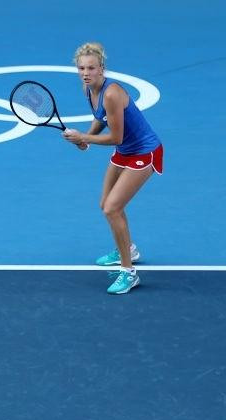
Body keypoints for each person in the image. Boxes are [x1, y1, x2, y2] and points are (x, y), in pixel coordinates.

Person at [61, 42, 163, 295]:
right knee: (106, 204)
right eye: (81, 68)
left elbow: (116, 137)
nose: (86, 73)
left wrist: (84, 139)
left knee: (112, 207)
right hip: (125, 152)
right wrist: (86, 136)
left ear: (102, 69)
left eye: (91, 68)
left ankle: (129, 273)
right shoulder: (88, 89)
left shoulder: (112, 93)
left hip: (144, 152)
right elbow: (99, 118)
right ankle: (128, 249)